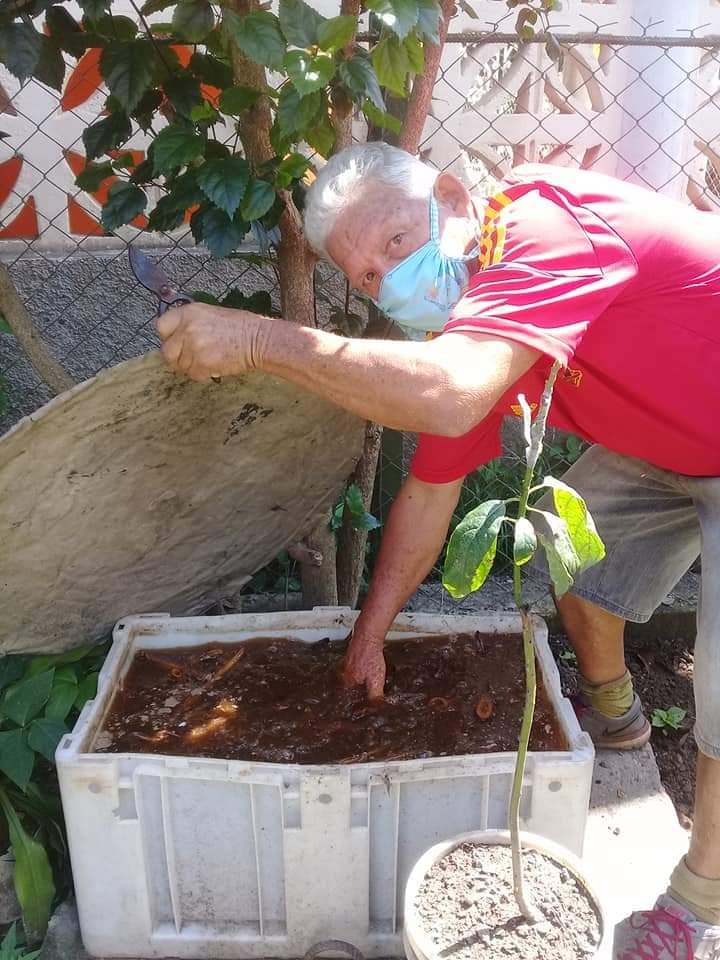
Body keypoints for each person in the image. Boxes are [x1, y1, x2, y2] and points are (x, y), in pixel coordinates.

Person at [156, 142, 720, 959]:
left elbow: (448, 396)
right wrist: (371, 637)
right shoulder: (484, 326)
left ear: (453, 198)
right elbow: (427, 492)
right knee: (579, 563)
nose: (392, 279)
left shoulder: (540, 228)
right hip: (669, 438)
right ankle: (620, 717)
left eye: (393, 243)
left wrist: (262, 341)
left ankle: (698, 901)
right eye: (370, 278)